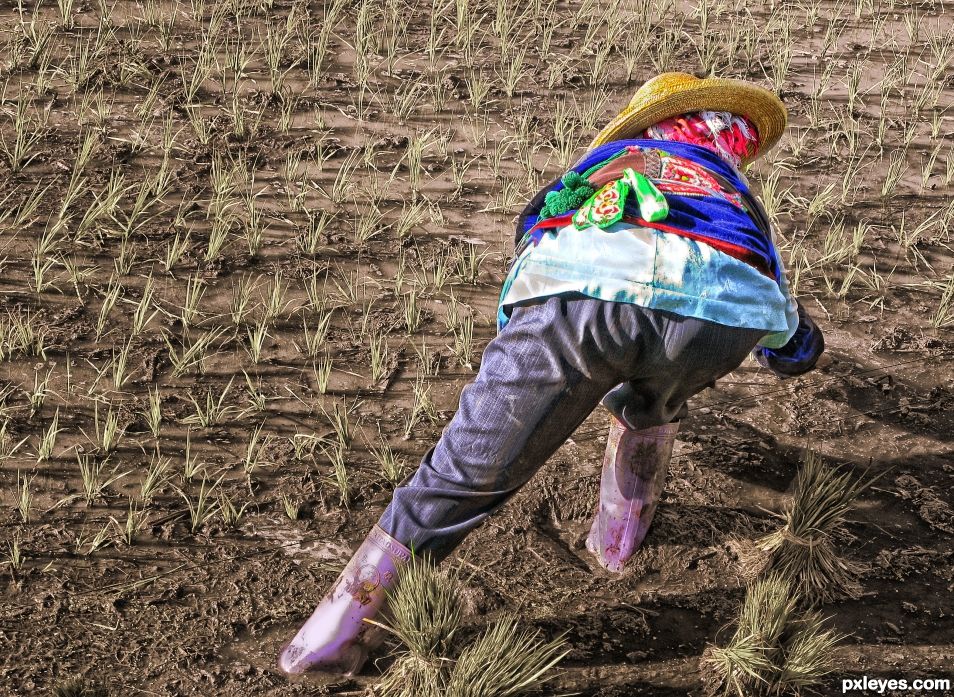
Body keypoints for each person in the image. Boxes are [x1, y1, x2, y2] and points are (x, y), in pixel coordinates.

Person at [276, 72, 825, 675]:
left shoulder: (610, 162)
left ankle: (332, 638)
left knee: (465, 472)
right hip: (717, 324)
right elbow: (785, 326)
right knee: (654, 398)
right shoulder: (734, 198)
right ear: (729, 144)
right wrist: (787, 352)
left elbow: (534, 227)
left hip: (582, 304)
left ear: (652, 128)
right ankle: (618, 542)